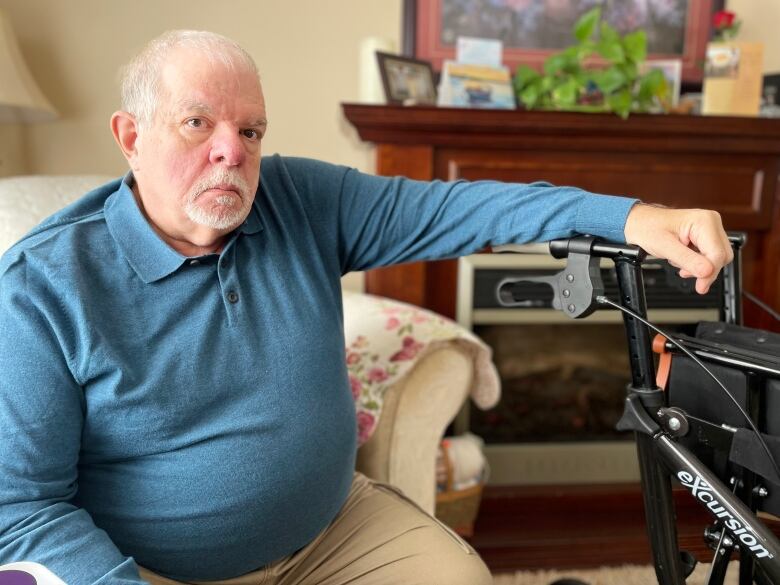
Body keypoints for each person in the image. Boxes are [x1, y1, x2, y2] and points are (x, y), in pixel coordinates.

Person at [0, 30, 732, 585]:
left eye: (250, 131)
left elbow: (469, 207)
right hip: (156, 567)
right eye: (198, 124)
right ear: (131, 137)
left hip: (331, 532)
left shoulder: (298, 200)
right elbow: (20, 509)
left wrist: (634, 218)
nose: (232, 152)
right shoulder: (42, 286)